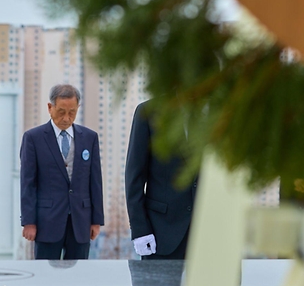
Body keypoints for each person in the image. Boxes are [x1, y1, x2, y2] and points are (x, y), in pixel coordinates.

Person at [20, 84, 104, 260]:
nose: (66, 118)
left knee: (78, 278)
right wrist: (29, 222)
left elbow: (95, 181)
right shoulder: (33, 138)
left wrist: (96, 220)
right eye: (61, 112)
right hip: (46, 222)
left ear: (78, 109)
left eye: (72, 112)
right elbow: (28, 183)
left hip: (80, 221)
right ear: (50, 108)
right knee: (45, 278)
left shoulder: (90, 138)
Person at [124, 102, 197, 260]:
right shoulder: (148, 112)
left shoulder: (220, 109)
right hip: (162, 233)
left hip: (211, 233)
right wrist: (140, 230)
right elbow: (134, 177)